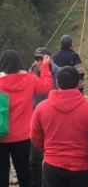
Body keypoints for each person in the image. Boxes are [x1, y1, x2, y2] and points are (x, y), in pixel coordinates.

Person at [31, 66, 88, 187]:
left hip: (52, 164)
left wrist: (47, 149)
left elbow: (35, 136)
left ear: (57, 83)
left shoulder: (41, 108)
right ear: (79, 84)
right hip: (81, 164)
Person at [0, 49, 52, 187]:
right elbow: (46, 88)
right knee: (24, 172)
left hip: (1, 134)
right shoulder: (29, 79)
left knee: (1, 174)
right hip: (23, 136)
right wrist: (45, 67)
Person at [29, 48, 61, 187]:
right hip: (36, 117)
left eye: (42, 59)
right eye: (37, 59)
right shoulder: (31, 74)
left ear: (50, 58)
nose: (39, 62)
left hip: (56, 118)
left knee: (55, 157)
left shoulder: (58, 72)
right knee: (34, 159)